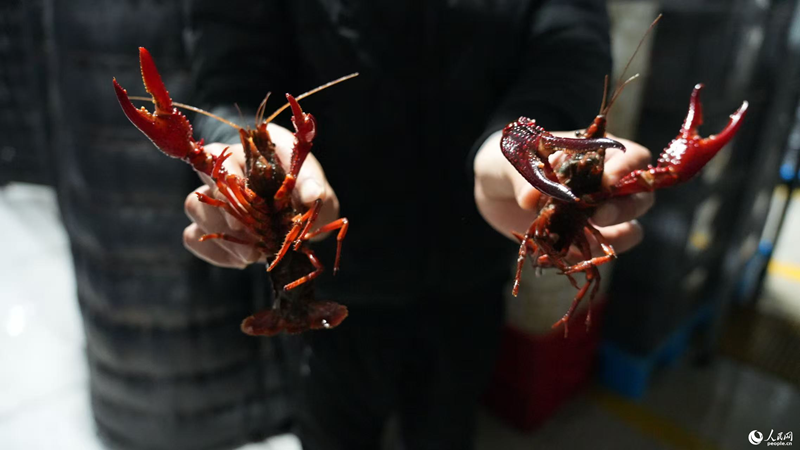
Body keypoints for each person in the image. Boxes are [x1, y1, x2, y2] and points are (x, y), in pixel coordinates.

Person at [182, 1, 654, 448]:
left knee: (446, 432)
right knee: (332, 433)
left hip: (471, 270)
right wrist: (231, 143)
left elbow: (569, 42)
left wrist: (519, 140)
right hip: (331, 290)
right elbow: (231, 74)